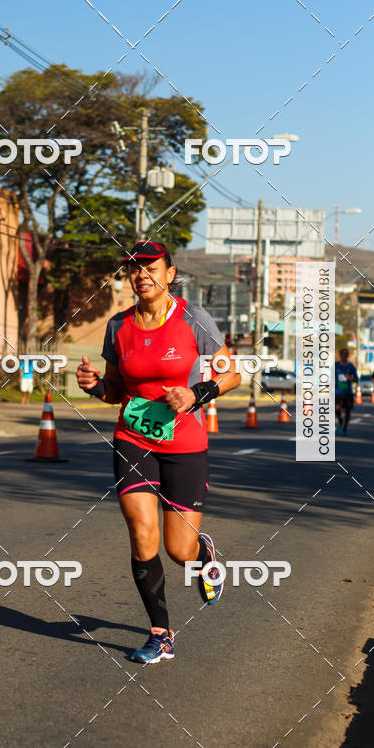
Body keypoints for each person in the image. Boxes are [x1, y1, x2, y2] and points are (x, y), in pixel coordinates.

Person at [76, 241, 241, 664]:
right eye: (134, 269)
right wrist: (95, 385)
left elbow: (232, 374)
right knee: (140, 528)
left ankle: (203, 554)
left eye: (151, 268)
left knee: (178, 549)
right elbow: (115, 392)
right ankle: (161, 633)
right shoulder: (118, 327)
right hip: (134, 439)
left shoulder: (194, 319)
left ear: (170, 274)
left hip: (185, 444)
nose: (142, 275)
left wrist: (197, 392)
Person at [334, 348, 358, 433]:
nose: (344, 355)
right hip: (337, 391)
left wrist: (350, 378)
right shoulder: (335, 365)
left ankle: (345, 427)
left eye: (346, 354)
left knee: (348, 411)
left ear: (347, 356)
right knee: (336, 408)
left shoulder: (350, 366)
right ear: (340, 355)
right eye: (343, 354)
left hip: (348, 392)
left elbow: (356, 379)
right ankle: (340, 419)